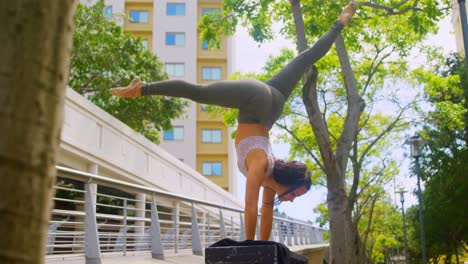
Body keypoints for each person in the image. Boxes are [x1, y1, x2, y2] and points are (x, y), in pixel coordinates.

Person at [110, 2, 356, 241]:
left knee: (305, 59)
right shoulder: (260, 165)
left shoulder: (270, 179)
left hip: (273, 104)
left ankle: (340, 22)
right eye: (294, 194)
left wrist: (263, 248)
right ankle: (143, 88)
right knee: (199, 92)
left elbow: (265, 213)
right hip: (255, 101)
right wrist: (251, 247)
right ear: (288, 183)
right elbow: (250, 208)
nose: (292, 200)